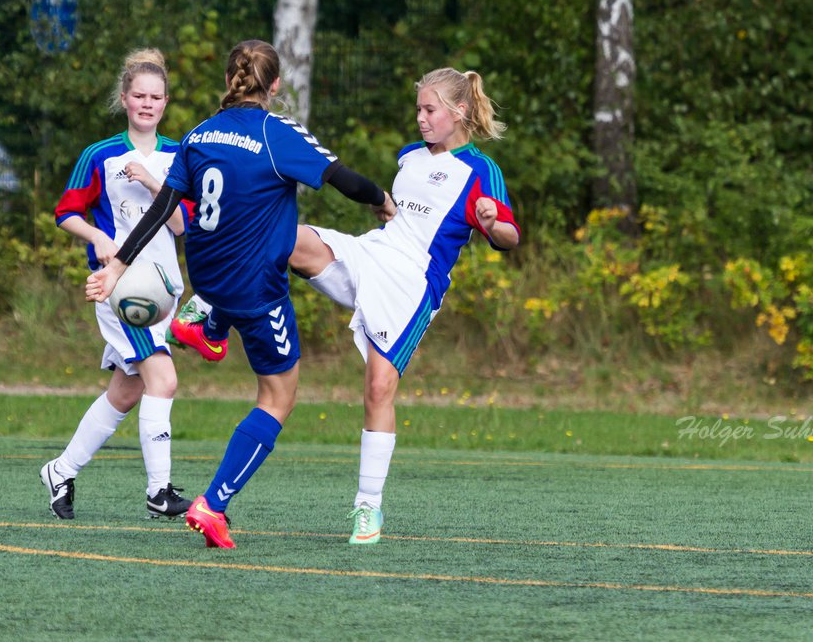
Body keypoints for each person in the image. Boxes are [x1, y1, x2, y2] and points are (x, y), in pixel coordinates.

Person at [86, 39, 395, 550]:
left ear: (229, 80)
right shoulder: (278, 134)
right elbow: (345, 180)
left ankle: (205, 326)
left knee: (229, 271)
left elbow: (162, 206)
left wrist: (118, 265)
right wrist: (384, 202)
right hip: (256, 292)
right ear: (274, 85)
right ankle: (214, 503)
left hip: (207, 280)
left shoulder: (198, 134)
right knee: (279, 396)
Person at [288, 67, 519, 545]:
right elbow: (406, 216)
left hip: (413, 285)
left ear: (458, 113)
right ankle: (213, 315)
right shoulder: (410, 157)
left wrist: (492, 223)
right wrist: (387, 210)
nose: (420, 118)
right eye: (418, 108)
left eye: (429, 109)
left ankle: (367, 509)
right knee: (287, 240)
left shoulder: (482, 171)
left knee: (377, 388)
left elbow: (510, 238)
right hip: (374, 253)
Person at [43, 48, 194, 521]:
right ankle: (159, 492)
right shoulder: (100, 155)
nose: (146, 104)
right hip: (119, 290)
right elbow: (65, 212)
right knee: (163, 379)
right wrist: (98, 236)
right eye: (138, 96)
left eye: (155, 97)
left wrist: (153, 182)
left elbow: (181, 225)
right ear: (124, 99)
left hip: (163, 291)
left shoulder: (179, 156)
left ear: (165, 102)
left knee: (127, 392)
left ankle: (61, 470)